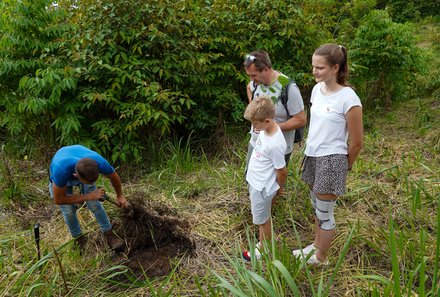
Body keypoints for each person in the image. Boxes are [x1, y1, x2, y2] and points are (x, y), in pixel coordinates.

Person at [292, 44, 363, 265]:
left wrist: (343, 166)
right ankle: (315, 246)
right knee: (316, 206)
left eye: (320, 67)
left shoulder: (349, 98)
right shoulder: (316, 90)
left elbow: (357, 142)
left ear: (335, 67)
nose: (314, 71)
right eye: (313, 66)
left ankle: (321, 257)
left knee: (325, 213)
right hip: (313, 155)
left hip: (332, 160)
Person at [49, 144, 130, 253]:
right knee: (68, 211)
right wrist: (87, 196)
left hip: (82, 167)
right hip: (64, 173)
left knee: (94, 204)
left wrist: (120, 196)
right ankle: (79, 239)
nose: (92, 184)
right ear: (76, 176)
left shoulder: (97, 162)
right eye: (89, 183)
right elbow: (59, 200)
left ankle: (108, 234)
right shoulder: (60, 171)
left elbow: (113, 175)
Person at [244, 50, 306, 174]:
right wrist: (254, 107)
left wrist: (273, 127)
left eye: (253, 75)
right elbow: (249, 87)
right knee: (250, 177)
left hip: (278, 147)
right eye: (249, 76)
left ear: (266, 69)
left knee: (271, 186)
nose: (251, 79)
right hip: (256, 142)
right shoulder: (255, 83)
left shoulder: (288, 87)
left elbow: (301, 119)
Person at [242, 97, 288, 261]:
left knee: (263, 220)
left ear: (267, 120)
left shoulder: (275, 144)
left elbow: (282, 171)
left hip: (262, 188)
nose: (253, 126)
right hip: (255, 181)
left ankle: (264, 250)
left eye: (255, 123)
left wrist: (279, 188)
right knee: (262, 217)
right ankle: (262, 243)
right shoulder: (265, 130)